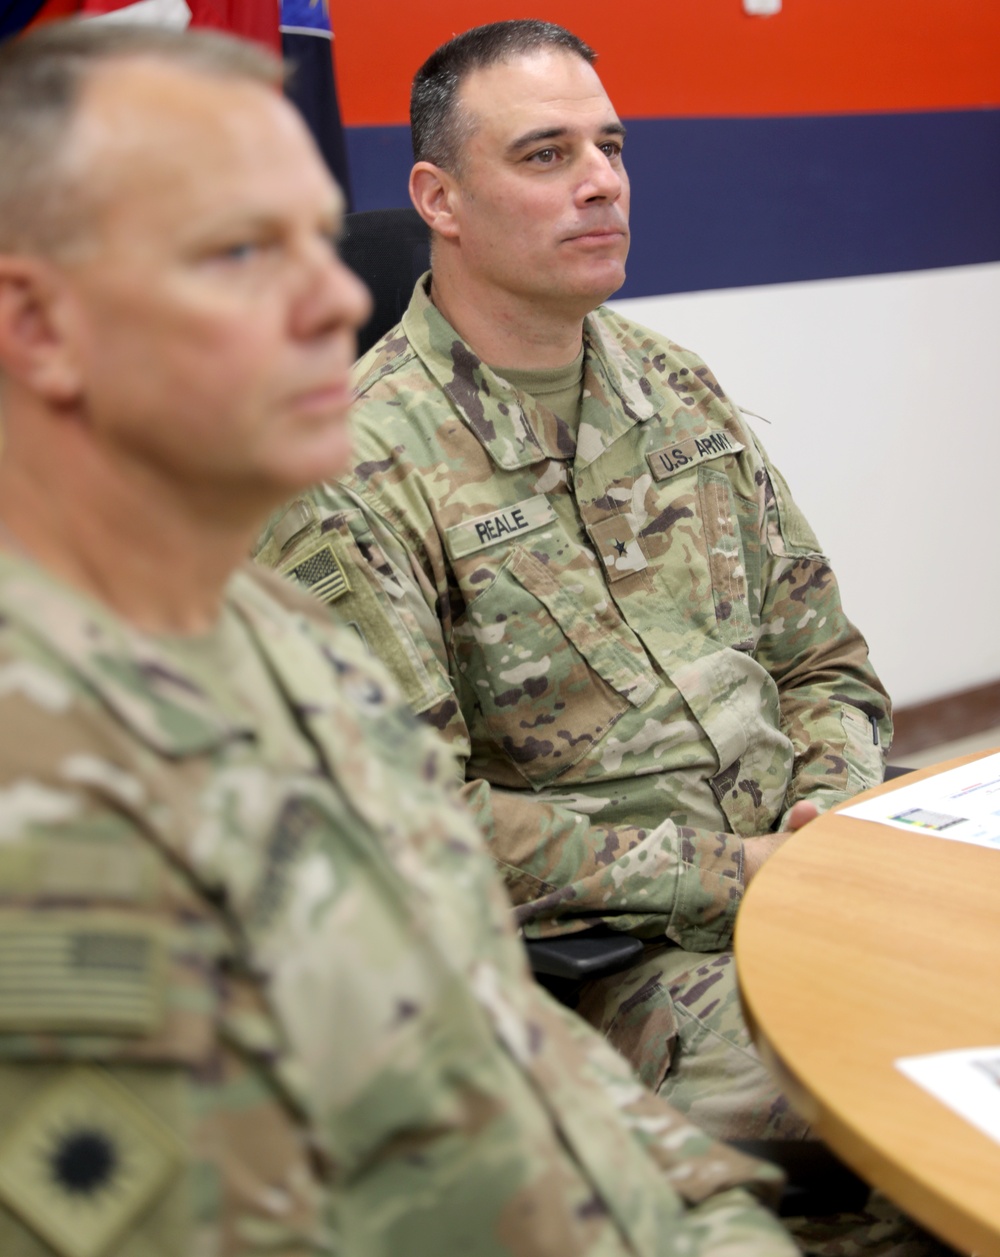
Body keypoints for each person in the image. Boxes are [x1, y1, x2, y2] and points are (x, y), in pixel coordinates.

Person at [0, 19, 806, 1257]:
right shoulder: (46, 787)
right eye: (237, 252)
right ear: (40, 326)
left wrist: (715, 1224)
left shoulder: (280, 644)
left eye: (314, 242)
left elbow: (502, 1032)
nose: (335, 298)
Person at [255, 19, 892, 1145]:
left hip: (813, 872)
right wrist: (735, 870)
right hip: (618, 960)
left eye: (611, 147)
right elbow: (406, 821)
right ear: (439, 200)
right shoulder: (351, 473)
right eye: (546, 155)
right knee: (876, 1102)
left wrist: (829, 812)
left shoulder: (673, 388)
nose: (601, 183)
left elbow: (819, 661)